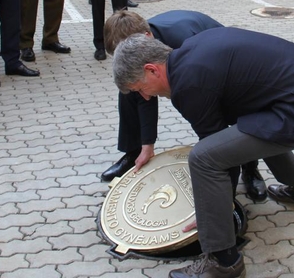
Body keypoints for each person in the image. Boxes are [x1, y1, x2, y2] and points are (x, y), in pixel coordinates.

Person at [112, 29, 294, 278]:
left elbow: (218, 156)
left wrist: (213, 216)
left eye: (140, 88)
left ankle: (223, 261)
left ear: (152, 69)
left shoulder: (188, 84)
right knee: (248, 131)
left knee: (203, 158)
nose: (146, 96)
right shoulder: (189, 50)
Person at [101, 10, 268, 202]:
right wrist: (147, 145)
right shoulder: (139, 42)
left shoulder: (184, 42)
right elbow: (145, 98)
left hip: (223, 69)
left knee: (230, 112)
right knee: (131, 89)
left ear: (146, 38)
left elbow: (203, 107)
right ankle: (134, 153)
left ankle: (250, 167)